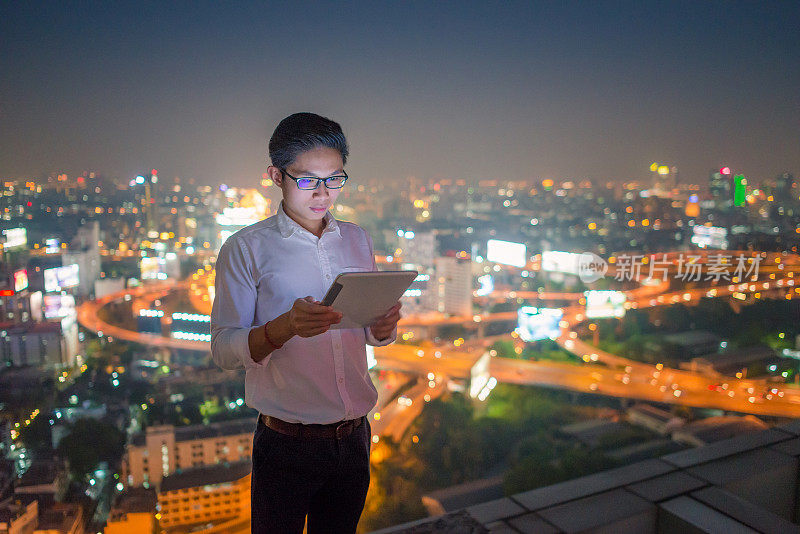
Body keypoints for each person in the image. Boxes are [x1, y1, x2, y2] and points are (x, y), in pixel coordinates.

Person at [210, 112, 400, 534]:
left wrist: (382, 328)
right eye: (308, 179)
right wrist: (284, 327)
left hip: (353, 439)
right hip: (286, 446)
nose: (323, 193)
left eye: (334, 179)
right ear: (276, 175)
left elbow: (364, 331)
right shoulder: (246, 249)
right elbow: (223, 348)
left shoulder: (357, 238)